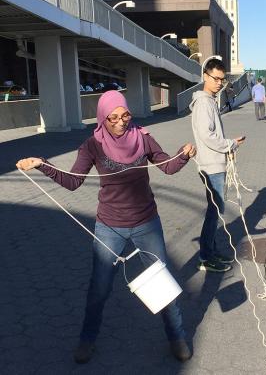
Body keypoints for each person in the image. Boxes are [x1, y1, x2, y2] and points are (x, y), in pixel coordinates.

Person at [16, 90, 196, 365]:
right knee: (99, 289)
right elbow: (73, 181)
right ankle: (87, 339)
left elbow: (167, 167)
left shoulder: (143, 137)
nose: (121, 122)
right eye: (113, 118)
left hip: (147, 223)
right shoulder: (92, 145)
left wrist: (183, 155)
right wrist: (43, 164)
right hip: (109, 227)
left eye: (125, 115)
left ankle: (177, 336)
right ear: (103, 118)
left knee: (163, 283)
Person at [189, 59, 245, 273]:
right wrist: (230, 144)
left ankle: (210, 252)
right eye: (216, 78)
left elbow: (210, 136)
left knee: (215, 211)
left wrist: (230, 144)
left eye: (223, 79)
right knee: (214, 212)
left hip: (214, 163)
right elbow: (207, 136)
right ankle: (205, 257)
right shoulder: (204, 103)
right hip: (211, 165)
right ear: (205, 76)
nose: (220, 83)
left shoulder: (209, 101)